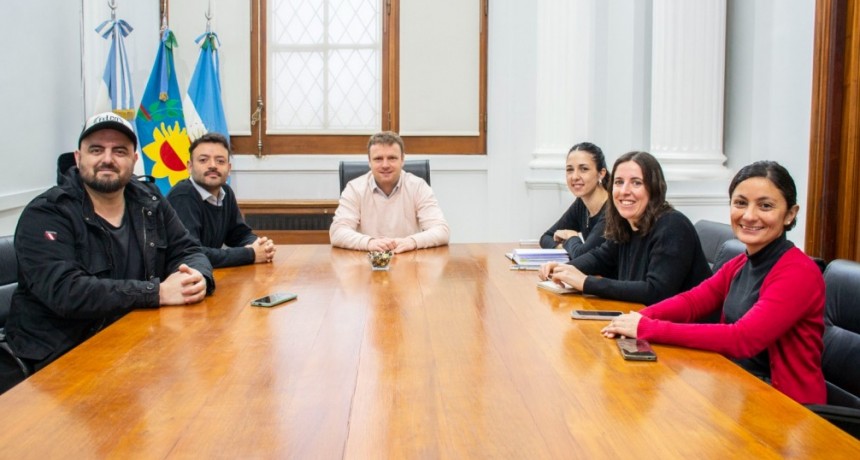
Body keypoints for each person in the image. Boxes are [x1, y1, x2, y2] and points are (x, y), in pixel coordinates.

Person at [0, 112, 215, 394]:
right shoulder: (46, 213)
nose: (107, 159)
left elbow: (188, 249)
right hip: (56, 363)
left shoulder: (149, 200)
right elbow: (66, 292)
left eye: (120, 151)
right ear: (78, 158)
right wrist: (157, 292)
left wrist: (197, 276)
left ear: (134, 160)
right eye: (96, 149)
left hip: (131, 346)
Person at [601, 161, 825, 404]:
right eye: (740, 203)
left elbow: (742, 339)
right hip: (738, 388)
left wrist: (646, 328)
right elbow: (692, 302)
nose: (749, 215)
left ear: (790, 214)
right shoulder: (741, 262)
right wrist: (637, 317)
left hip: (792, 412)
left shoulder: (798, 272)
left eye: (765, 206)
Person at [539, 151, 711, 305]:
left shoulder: (672, 225)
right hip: (641, 321)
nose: (624, 191)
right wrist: (565, 268)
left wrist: (586, 282)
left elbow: (656, 292)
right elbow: (601, 258)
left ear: (654, 188)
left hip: (683, 332)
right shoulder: (626, 223)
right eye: (619, 182)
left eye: (636, 183)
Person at [167, 132, 277, 268]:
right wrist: (250, 254)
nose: (212, 165)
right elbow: (192, 254)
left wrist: (260, 246)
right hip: (179, 278)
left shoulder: (225, 192)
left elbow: (239, 234)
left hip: (208, 274)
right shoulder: (183, 196)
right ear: (190, 167)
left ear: (229, 168)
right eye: (203, 160)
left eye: (220, 161)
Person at [329, 131, 450, 253]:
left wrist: (412, 241)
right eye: (378, 159)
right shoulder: (354, 188)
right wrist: (369, 242)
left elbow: (442, 230)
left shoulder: (418, 186)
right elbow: (337, 231)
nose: (385, 165)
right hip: (368, 261)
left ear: (402, 160)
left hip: (408, 261)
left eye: (392, 158)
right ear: (369, 162)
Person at [539, 142, 609, 258]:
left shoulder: (612, 210)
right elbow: (546, 237)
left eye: (584, 169)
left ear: (601, 173)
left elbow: (583, 255)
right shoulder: (581, 204)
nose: (575, 177)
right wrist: (566, 247)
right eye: (570, 170)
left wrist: (571, 236)